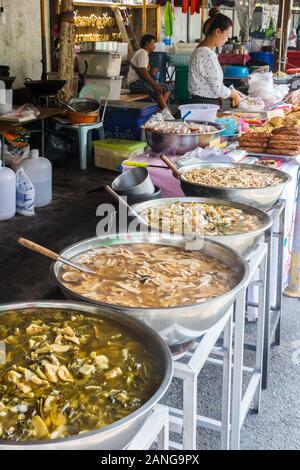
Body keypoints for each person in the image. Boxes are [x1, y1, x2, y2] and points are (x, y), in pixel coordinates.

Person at [188, 8, 241, 107]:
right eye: (227, 34)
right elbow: (218, 88)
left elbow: (211, 83)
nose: (227, 39)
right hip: (204, 105)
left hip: (202, 103)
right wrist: (233, 94)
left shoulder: (200, 50)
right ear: (218, 31)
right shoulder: (206, 54)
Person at [127, 34, 170, 110]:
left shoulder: (144, 53)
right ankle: (165, 111)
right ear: (147, 43)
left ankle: (160, 111)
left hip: (139, 82)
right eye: (153, 43)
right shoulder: (142, 52)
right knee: (156, 89)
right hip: (135, 83)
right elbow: (142, 71)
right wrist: (154, 84)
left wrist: (151, 73)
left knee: (166, 88)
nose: (154, 46)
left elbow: (143, 71)